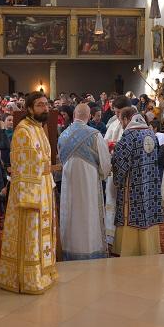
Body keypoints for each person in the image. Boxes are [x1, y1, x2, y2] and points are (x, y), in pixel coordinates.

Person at [0, 91, 58, 294]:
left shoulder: (39, 128)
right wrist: (45, 170)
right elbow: (22, 164)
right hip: (31, 192)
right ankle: (28, 279)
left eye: (46, 104)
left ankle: (43, 273)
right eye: (40, 105)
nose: (45, 108)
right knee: (31, 234)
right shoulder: (23, 130)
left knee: (43, 234)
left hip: (44, 188)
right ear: (30, 108)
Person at [58, 104, 111, 260]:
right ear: (88, 116)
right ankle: (90, 250)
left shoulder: (63, 135)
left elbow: (60, 160)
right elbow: (105, 163)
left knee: (71, 212)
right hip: (88, 181)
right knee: (89, 213)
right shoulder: (94, 134)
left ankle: (70, 250)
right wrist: (102, 174)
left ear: (74, 114)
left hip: (69, 181)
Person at [111, 109, 164, 256]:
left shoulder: (129, 136)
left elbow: (120, 161)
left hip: (133, 186)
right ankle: (149, 247)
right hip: (150, 184)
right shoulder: (150, 133)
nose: (121, 124)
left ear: (126, 119)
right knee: (148, 210)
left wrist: (117, 179)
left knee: (130, 212)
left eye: (121, 121)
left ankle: (129, 249)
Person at [103, 95, 131, 250]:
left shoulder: (134, 125)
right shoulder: (114, 124)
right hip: (114, 171)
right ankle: (111, 237)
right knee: (112, 201)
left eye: (119, 112)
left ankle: (124, 239)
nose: (117, 115)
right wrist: (109, 147)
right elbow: (105, 143)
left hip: (128, 173)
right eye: (115, 112)